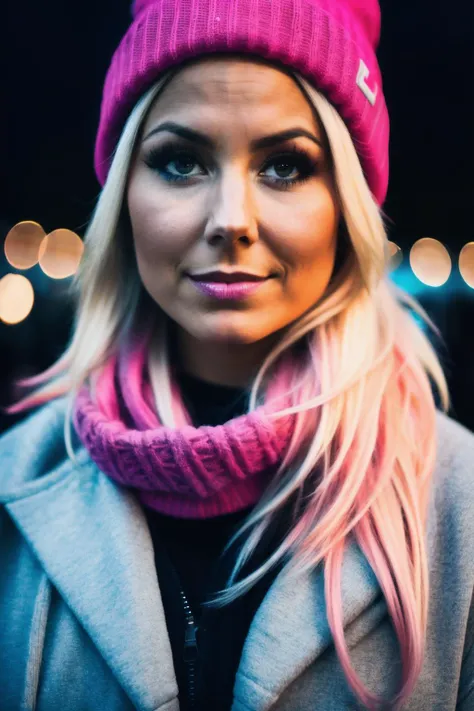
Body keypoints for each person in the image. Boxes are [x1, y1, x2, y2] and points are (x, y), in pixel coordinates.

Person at [1, 0, 473, 709]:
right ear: (124, 193)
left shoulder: (459, 505)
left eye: (285, 166)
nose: (231, 220)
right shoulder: (14, 483)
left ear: (347, 204)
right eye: (181, 161)